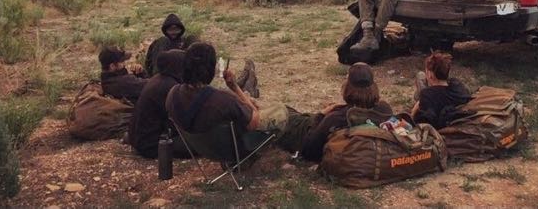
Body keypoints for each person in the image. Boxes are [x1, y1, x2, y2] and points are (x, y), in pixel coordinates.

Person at [165, 42, 316, 153]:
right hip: (234, 149)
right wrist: (235, 88)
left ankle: (249, 85)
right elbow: (254, 119)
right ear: (210, 69)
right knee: (280, 110)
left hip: (206, 149)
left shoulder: (173, 94)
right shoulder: (221, 101)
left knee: (256, 103)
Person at [299, 62, 392, 162]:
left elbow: (309, 152)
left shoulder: (336, 118)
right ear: (374, 87)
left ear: (347, 88)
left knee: (293, 117)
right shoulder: (384, 110)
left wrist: (321, 115)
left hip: (303, 130)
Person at [128, 50, 185, 159]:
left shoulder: (158, 79)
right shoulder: (170, 86)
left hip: (139, 140)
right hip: (152, 146)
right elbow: (179, 122)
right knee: (199, 143)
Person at [411, 52, 471, 129]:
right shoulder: (457, 85)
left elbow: (422, 121)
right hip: (454, 115)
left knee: (419, 80)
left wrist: (414, 111)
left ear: (430, 74)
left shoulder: (427, 94)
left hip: (439, 124)